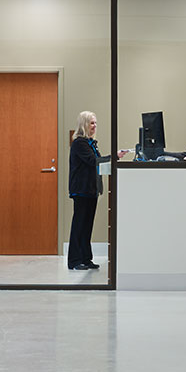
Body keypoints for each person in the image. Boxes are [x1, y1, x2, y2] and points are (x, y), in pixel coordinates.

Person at [67, 111, 115, 271]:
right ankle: (74, 261)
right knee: (79, 225)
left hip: (91, 190)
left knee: (87, 225)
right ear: (84, 124)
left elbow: (98, 161)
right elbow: (93, 161)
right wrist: (114, 156)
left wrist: (115, 157)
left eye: (95, 123)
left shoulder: (90, 143)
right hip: (81, 190)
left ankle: (86, 259)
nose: (94, 126)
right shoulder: (79, 143)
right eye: (91, 123)